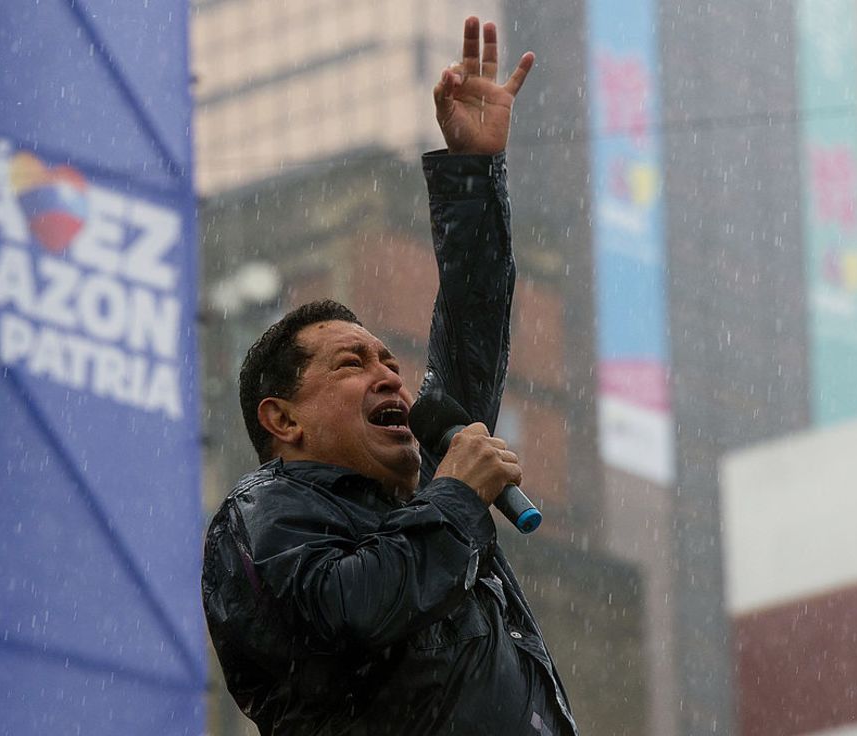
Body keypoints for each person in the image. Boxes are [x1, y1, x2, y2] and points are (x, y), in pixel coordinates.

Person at [201, 16, 578, 736]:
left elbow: (473, 329)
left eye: (391, 363)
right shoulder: (265, 513)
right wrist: (458, 498)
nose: (391, 379)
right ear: (284, 419)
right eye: (352, 363)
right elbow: (352, 611)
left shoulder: (429, 496)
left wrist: (473, 173)